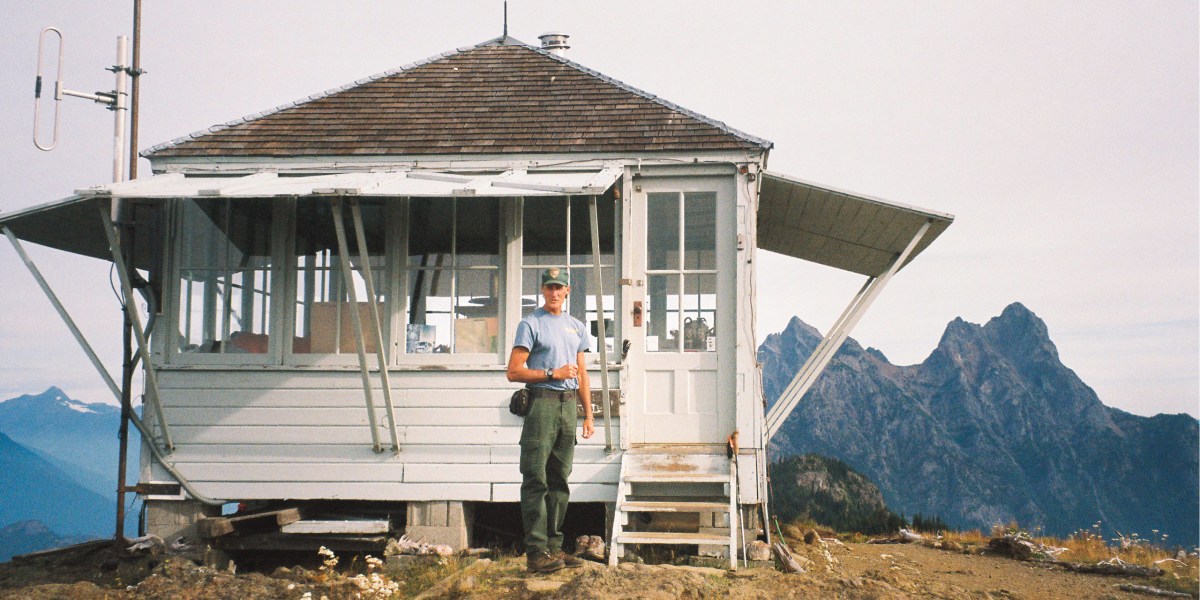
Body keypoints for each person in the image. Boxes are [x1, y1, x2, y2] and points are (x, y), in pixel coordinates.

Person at [506, 267, 595, 573]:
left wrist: (588, 414)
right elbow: (513, 371)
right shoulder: (531, 323)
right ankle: (536, 552)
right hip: (541, 404)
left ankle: (554, 549)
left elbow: (582, 373)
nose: (554, 292)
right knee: (536, 479)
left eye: (559, 287)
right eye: (549, 287)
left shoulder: (576, 326)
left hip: (568, 408)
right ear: (542, 291)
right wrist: (550, 373)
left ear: (567, 291)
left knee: (560, 479)